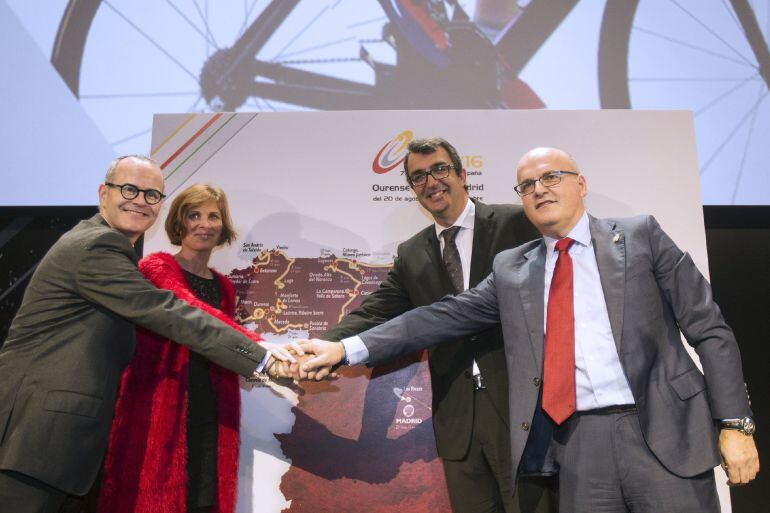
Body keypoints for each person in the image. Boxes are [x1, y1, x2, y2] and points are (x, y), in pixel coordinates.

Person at [302, 146, 760, 513]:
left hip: (663, 431)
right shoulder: (513, 269)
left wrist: (735, 423)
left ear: (580, 184)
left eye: (551, 177)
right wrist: (345, 350)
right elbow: (437, 317)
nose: (539, 189)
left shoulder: (639, 235)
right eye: (527, 185)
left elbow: (710, 329)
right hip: (577, 447)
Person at [0, 156, 297, 513]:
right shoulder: (96, 247)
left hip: (61, 444)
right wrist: (265, 358)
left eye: (152, 195)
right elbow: (170, 312)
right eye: (129, 189)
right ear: (103, 193)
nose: (140, 201)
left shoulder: (112, 250)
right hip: (35, 438)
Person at [320, 137, 554, 513]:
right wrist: (325, 345)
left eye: (440, 169)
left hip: (523, 416)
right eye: (418, 177)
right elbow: (375, 311)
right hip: (458, 424)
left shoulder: (517, 223)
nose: (431, 182)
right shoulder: (411, 253)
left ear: (462, 174)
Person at [97, 184, 256, 513]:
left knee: (204, 497)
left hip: (210, 407)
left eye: (213, 216)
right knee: (155, 498)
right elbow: (191, 311)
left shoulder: (224, 285)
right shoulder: (156, 268)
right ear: (179, 224)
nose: (204, 224)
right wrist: (263, 350)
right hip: (159, 407)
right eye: (193, 215)